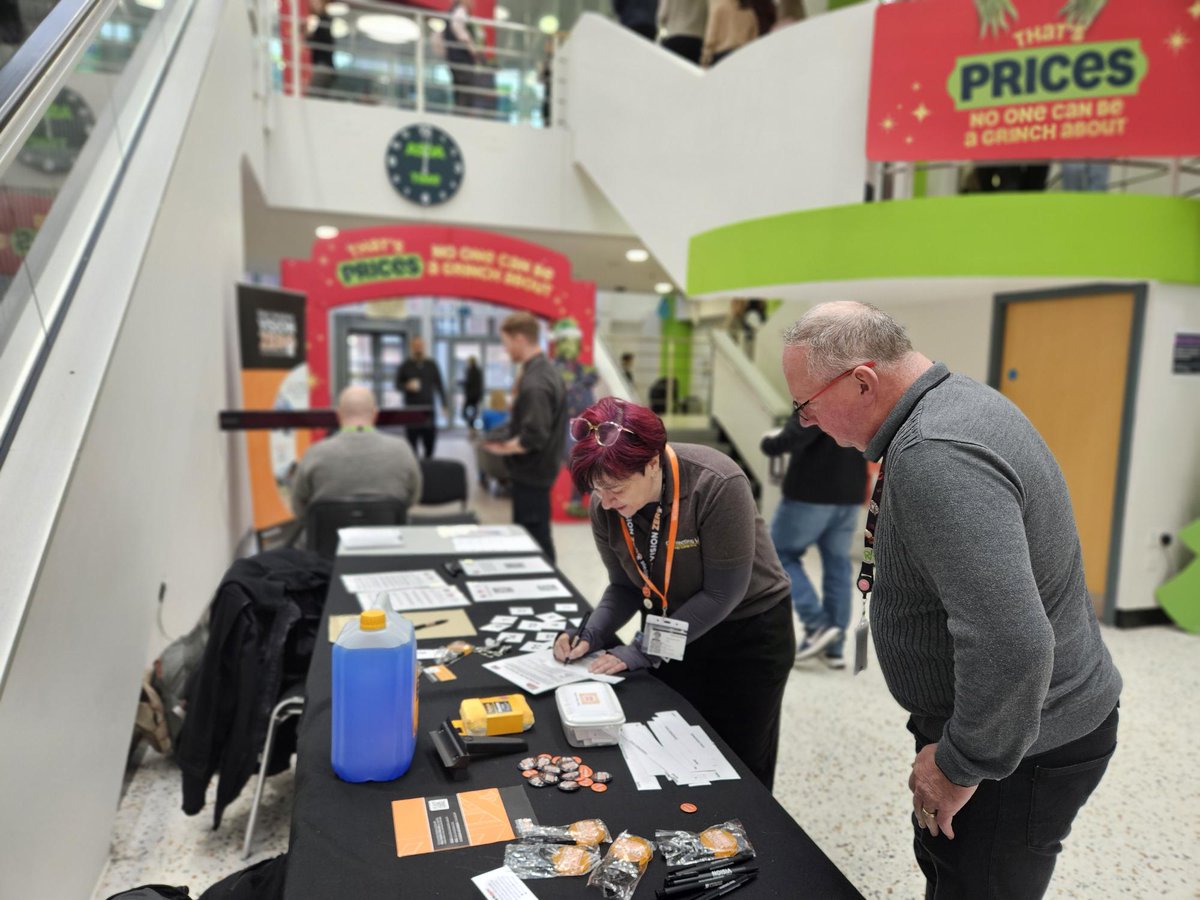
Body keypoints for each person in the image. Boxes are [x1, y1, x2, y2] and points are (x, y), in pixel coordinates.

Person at [780, 301, 1122, 899]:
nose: (805, 423)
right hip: (1020, 725)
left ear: (863, 380)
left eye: (805, 404)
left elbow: (1011, 642)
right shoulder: (954, 401)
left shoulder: (935, 452)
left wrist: (961, 764)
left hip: (1018, 746)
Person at [554, 397, 795, 788]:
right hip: (670, 626)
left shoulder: (716, 483)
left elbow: (722, 595)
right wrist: (590, 633)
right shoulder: (607, 506)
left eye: (615, 488)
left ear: (651, 463)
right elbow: (623, 586)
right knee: (675, 754)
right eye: (598, 490)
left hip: (745, 635)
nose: (607, 502)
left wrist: (641, 650)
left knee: (740, 762)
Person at [760, 416, 865, 668]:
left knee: (777, 555)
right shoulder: (859, 390)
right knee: (837, 564)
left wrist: (770, 442)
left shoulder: (815, 393)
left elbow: (795, 437)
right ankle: (834, 647)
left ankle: (818, 625)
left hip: (810, 493)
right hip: (850, 492)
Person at [482, 313, 568, 561]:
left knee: (535, 540)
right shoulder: (543, 371)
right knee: (534, 535)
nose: (505, 348)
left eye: (506, 342)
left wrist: (500, 448)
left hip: (532, 473)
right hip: (538, 471)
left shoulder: (536, 382)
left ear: (519, 339)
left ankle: (548, 591)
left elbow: (534, 437)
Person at [290, 385, 422, 517]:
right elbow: (413, 498)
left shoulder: (314, 453)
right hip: (387, 535)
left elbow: (298, 507)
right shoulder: (401, 450)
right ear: (375, 414)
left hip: (329, 536)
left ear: (338, 414)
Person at [394, 336, 447, 459]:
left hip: (428, 411)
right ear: (411, 347)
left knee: (430, 445)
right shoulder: (405, 365)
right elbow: (397, 385)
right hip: (411, 411)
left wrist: (444, 404)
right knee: (412, 447)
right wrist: (406, 386)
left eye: (420, 345)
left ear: (424, 346)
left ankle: (428, 470)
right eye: (415, 345)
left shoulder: (431, 365)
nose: (418, 348)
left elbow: (440, 385)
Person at [702, 0, 771, 66]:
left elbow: (711, 35)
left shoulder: (719, 6)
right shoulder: (749, 11)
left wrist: (705, 58)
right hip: (743, 56)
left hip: (722, 57)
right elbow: (754, 36)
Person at [445, 0, 480, 114]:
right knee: (465, 92)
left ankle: (461, 113)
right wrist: (472, 47)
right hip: (461, 59)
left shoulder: (455, 11)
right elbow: (459, 30)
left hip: (456, 59)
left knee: (460, 92)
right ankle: (463, 115)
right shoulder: (460, 11)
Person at [305, 0, 336, 97]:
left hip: (323, 65)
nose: (313, 4)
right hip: (323, 65)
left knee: (312, 96)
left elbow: (320, 41)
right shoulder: (321, 20)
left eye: (316, 2)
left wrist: (308, 36)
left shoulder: (324, 21)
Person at [460, 356, 483, 432]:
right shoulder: (478, 371)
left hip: (471, 396)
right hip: (476, 396)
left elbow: (468, 382)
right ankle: (472, 428)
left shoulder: (470, 371)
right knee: (473, 412)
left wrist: (460, 383)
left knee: (466, 413)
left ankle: (472, 428)